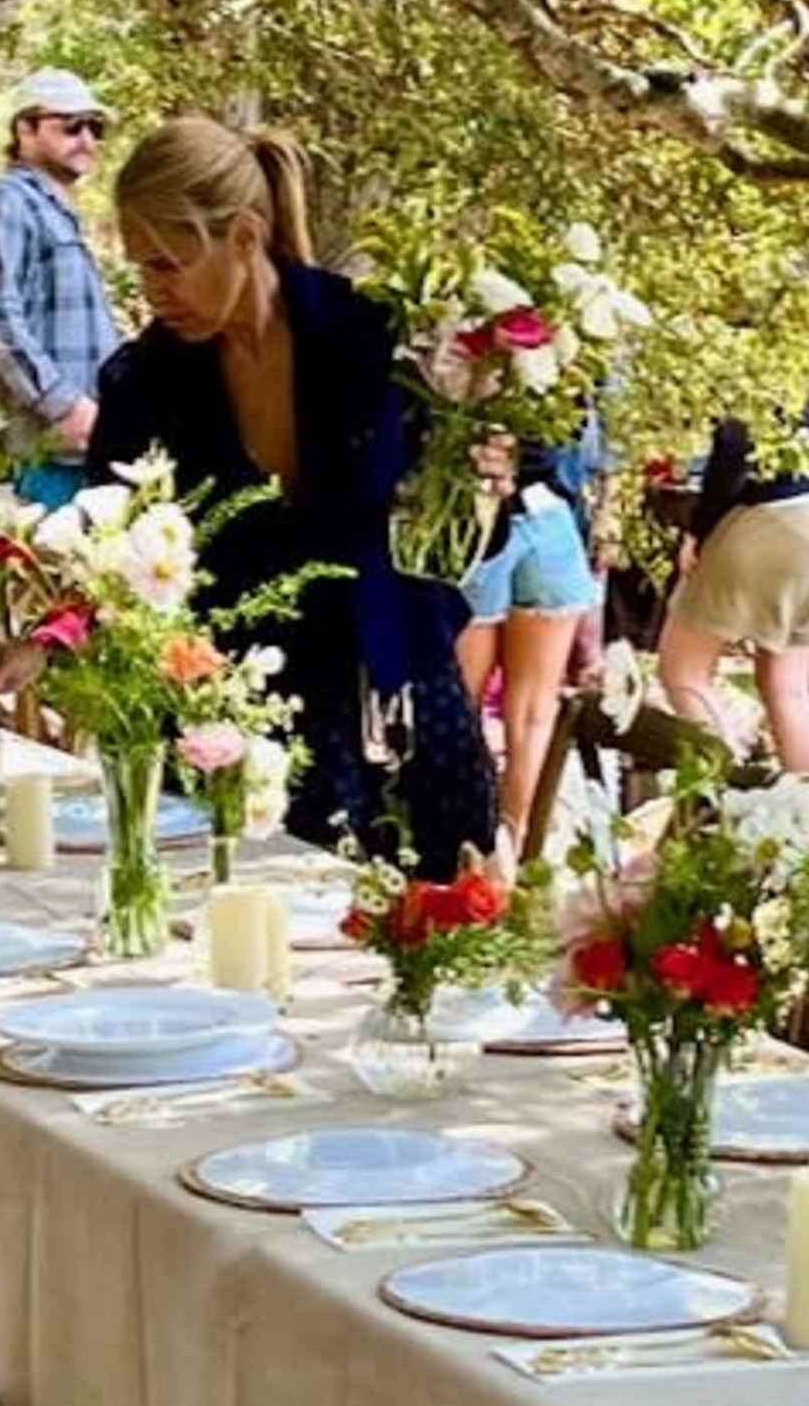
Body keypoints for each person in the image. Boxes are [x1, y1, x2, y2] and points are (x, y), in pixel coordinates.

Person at [91, 114, 500, 870]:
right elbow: (104, 557)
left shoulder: (379, 339)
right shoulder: (140, 383)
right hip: (231, 721)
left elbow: (459, 532)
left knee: (428, 935)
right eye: (141, 268)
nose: (154, 291)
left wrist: (485, 474)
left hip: (395, 703)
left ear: (244, 236)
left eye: (169, 264)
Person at [655, 292, 809, 787]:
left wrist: (700, 527)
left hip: (772, 516)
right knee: (787, 689)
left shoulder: (766, 316)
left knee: (683, 672)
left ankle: (727, 799)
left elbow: (735, 443)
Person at [0, 69, 118, 501]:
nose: (86, 139)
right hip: (31, 453)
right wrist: (65, 405)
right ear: (24, 129)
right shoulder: (4, 200)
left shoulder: (57, 211)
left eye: (94, 127)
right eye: (71, 126)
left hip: (74, 451)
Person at [458, 435, 605, 857]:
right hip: (548, 520)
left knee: (460, 701)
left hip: (478, 523)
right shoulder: (572, 374)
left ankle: (470, 842)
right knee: (531, 712)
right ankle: (511, 842)